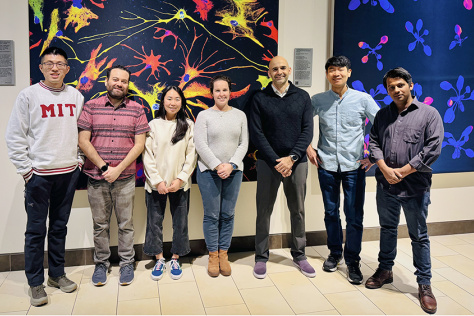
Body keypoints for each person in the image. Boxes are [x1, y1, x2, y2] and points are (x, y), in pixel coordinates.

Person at [5, 46, 84, 306]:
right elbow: (15, 136)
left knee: (60, 227)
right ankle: (35, 282)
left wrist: (79, 163)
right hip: (39, 176)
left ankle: (57, 274)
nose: (54, 68)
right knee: (36, 231)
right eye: (49, 63)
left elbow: (81, 134)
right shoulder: (29, 95)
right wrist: (28, 172)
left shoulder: (75, 96)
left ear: (67, 68)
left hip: (68, 174)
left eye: (60, 63)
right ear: (41, 67)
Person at [367, 67, 443, 314]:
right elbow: (374, 142)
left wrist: (405, 170)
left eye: (400, 85)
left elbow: (433, 148)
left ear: (411, 85)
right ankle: (385, 270)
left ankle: (424, 284)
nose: (396, 90)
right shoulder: (382, 115)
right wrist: (385, 168)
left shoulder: (429, 114)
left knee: (419, 235)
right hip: (385, 183)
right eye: (391, 87)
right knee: (387, 229)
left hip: (415, 186)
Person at [306, 56, 379, 284]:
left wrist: (374, 156)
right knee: (330, 212)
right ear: (326, 74)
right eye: (331, 70)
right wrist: (308, 147)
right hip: (326, 164)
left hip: (354, 166)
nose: (336, 73)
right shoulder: (317, 99)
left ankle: (353, 260)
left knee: (354, 216)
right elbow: (302, 123)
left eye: (340, 70)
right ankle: (335, 253)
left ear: (349, 72)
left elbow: (383, 126)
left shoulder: (363, 99)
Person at [78, 65, 150, 286]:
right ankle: (102, 264)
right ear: (106, 81)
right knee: (100, 225)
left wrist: (117, 169)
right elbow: (83, 141)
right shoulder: (90, 107)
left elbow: (139, 145)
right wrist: (103, 167)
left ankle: (127, 263)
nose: (120, 84)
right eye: (116, 79)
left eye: (124, 81)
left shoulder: (137, 109)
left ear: (128, 85)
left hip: (126, 178)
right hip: (96, 178)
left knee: (126, 223)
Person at [248, 56, 315, 279]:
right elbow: (257, 133)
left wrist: (291, 158)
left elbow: (307, 131)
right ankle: (261, 256)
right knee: (263, 211)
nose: (279, 72)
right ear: (269, 72)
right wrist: (277, 160)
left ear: (290, 70)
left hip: (297, 164)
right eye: (274, 69)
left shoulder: (303, 97)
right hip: (268, 163)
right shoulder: (259, 98)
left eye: (282, 68)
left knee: (297, 210)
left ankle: (299, 254)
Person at [194, 75, 248, 277]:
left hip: (234, 172)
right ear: (211, 93)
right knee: (212, 215)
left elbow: (244, 143)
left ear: (230, 91)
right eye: (217, 90)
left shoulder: (240, 115)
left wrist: (231, 164)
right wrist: (218, 166)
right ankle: (213, 255)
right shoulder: (204, 116)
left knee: (228, 214)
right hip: (208, 172)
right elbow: (200, 144)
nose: (221, 94)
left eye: (224, 90)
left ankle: (224, 254)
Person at [143, 86, 197, 281]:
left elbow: (192, 155)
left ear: (182, 102)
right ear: (162, 101)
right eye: (169, 98)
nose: (173, 102)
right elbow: (147, 155)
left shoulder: (189, 125)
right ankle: (158, 258)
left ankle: (175, 257)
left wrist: (181, 178)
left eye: (176, 99)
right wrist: (157, 181)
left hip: (180, 184)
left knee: (180, 223)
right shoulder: (153, 125)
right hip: (156, 184)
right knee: (154, 223)